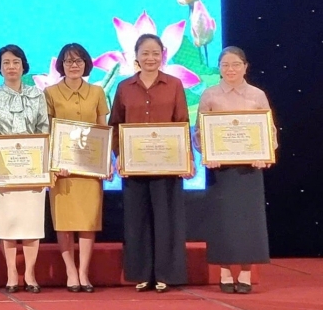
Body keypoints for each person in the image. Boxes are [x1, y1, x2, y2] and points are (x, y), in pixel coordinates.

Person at [109, 33, 193, 293]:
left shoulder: (174, 84)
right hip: (134, 167)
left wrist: (187, 158)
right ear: (136, 56)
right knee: (138, 221)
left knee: (167, 220)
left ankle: (167, 273)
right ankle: (142, 274)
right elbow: (115, 125)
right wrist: (119, 156)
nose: (150, 58)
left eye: (155, 53)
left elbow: (182, 122)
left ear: (163, 55)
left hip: (168, 165)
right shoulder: (124, 87)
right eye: (145, 53)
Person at [195, 46, 276, 294]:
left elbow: (269, 130)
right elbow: (199, 132)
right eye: (225, 65)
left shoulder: (257, 95)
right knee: (222, 222)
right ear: (219, 68)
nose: (230, 69)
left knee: (248, 222)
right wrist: (207, 153)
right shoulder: (209, 94)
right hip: (220, 170)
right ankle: (225, 271)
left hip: (250, 171)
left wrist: (265, 154)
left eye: (235, 64)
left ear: (245, 67)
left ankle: (246, 272)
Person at [44, 43, 111, 293]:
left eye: (79, 61)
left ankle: (84, 271)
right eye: (69, 61)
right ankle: (70, 271)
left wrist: (106, 161)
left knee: (88, 220)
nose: (74, 65)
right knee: (64, 222)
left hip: (89, 169)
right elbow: (48, 131)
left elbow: (103, 129)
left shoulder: (97, 92)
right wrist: (53, 164)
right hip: (63, 170)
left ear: (86, 64)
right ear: (61, 65)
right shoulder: (50, 92)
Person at [0, 45, 49, 293]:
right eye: (6, 63)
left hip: (33, 168)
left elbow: (44, 128)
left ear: (24, 66)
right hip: (3, 168)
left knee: (32, 223)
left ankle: (30, 273)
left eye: (15, 62)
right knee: (7, 223)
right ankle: (12, 273)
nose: (11, 67)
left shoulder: (37, 94)